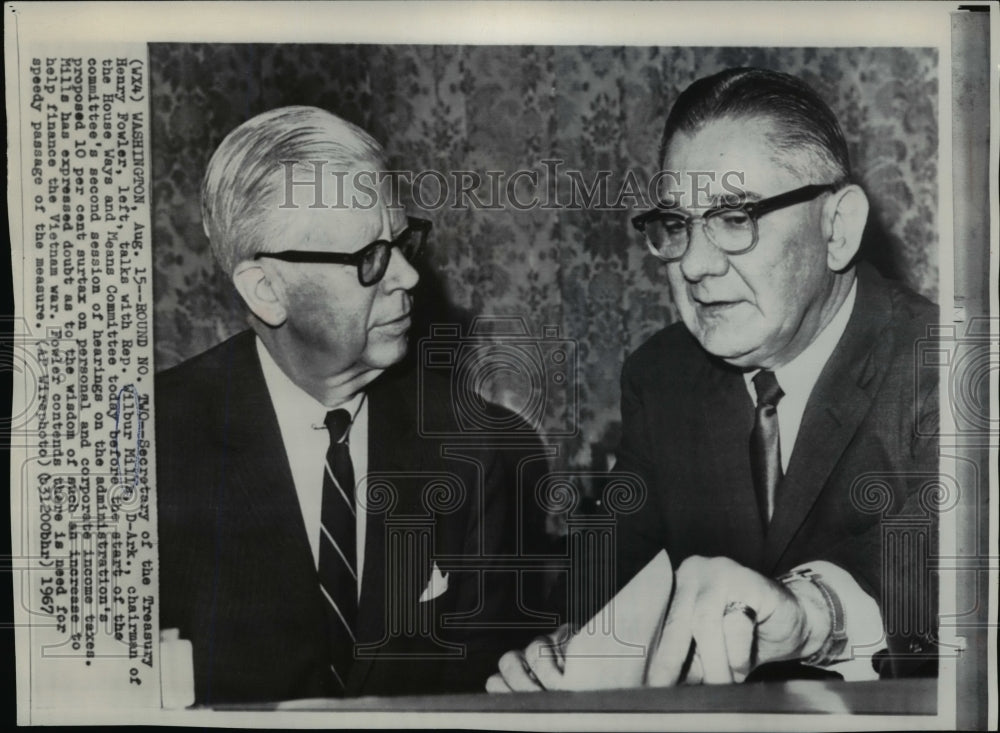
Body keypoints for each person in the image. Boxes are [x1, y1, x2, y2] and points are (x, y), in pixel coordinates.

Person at [489, 67, 938, 692]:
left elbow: (956, 583)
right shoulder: (663, 376)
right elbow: (603, 585)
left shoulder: (947, 367)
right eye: (677, 225)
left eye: (734, 218)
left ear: (837, 227)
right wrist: (556, 661)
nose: (695, 266)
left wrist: (813, 617)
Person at [156, 106, 549, 705]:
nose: (411, 277)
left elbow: (486, 693)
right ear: (266, 290)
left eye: (402, 242)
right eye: (371, 259)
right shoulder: (148, 447)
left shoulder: (478, 450)